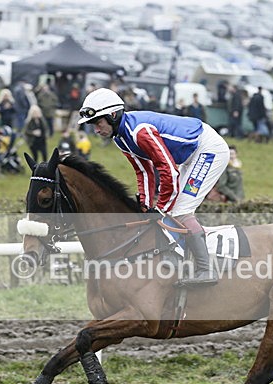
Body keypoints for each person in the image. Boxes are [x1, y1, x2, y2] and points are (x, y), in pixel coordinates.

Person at [78, 87, 230, 286]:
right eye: (93, 125)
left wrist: (161, 209)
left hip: (209, 149)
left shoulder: (140, 132)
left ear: (113, 115)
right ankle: (185, 258)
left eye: (98, 122)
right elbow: (144, 171)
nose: (96, 130)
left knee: (180, 210)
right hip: (190, 156)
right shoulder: (120, 137)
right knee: (171, 210)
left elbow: (168, 170)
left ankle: (205, 268)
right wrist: (146, 206)